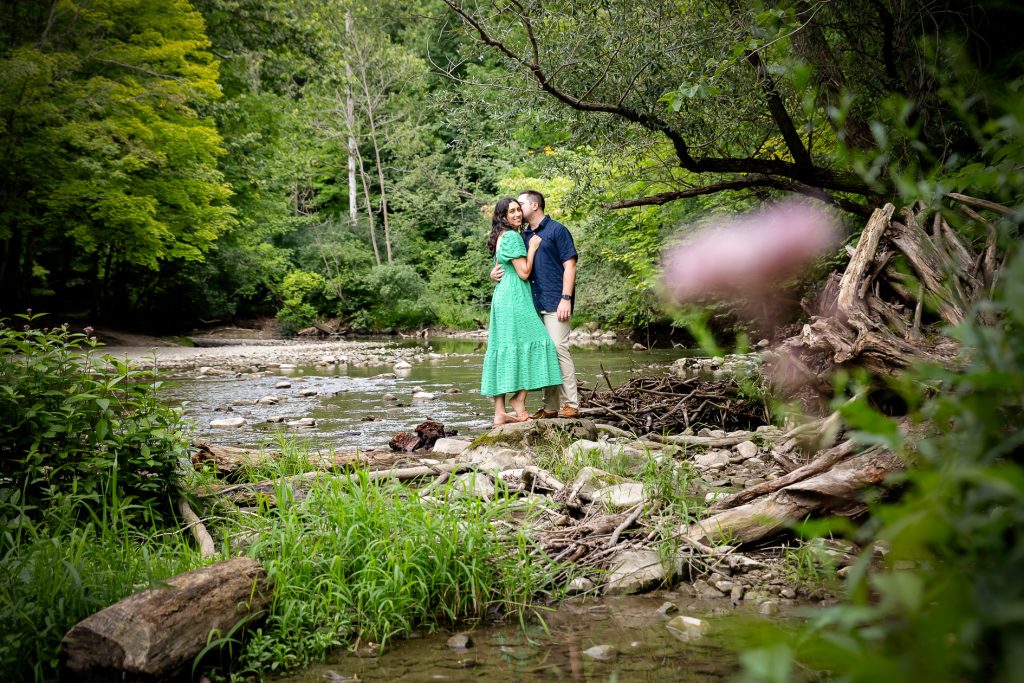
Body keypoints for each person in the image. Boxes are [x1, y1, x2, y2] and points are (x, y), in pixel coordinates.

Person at [491, 189, 580, 419]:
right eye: (513, 209)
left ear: (534, 205)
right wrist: (494, 274)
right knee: (544, 351)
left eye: (520, 205)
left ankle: (571, 404)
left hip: (555, 301)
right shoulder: (522, 235)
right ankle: (550, 407)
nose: (518, 211)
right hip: (529, 303)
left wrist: (566, 298)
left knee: (557, 349)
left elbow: (570, 265)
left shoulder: (557, 230)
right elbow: (513, 265)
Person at [480, 197, 564, 426]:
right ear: (503, 216)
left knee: (503, 348)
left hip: (503, 296)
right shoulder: (513, 237)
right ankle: (519, 399)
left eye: (519, 210)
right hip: (514, 297)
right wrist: (533, 249)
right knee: (540, 341)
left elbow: (501, 267)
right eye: (512, 211)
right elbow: (524, 272)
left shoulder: (501, 236)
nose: (517, 214)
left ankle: (499, 413)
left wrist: (492, 274)